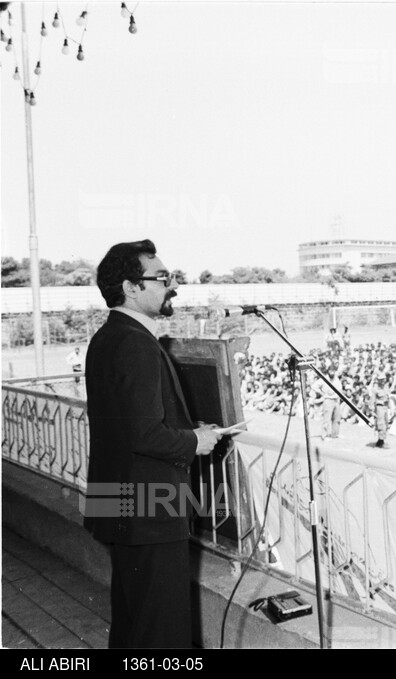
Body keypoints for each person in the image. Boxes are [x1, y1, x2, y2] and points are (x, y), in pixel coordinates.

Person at [83, 239, 222, 648]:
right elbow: (143, 434)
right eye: (161, 278)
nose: (171, 286)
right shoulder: (136, 343)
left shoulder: (108, 337)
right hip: (150, 507)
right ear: (130, 287)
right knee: (161, 632)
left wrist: (184, 428)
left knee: (134, 625)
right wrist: (196, 440)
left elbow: (127, 425)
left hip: (122, 501)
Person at [370, 374, 392, 447]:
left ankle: (382, 440)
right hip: (379, 407)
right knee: (380, 424)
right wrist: (372, 411)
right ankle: (380, 440)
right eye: (381, 380)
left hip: (385, 407)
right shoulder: (375, 389)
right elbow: (372, 400)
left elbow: (388, 399)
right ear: (378, 380)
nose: (383, 381)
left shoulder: (386, 388)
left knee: (385, 424)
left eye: (384, 379)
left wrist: (390, 409)